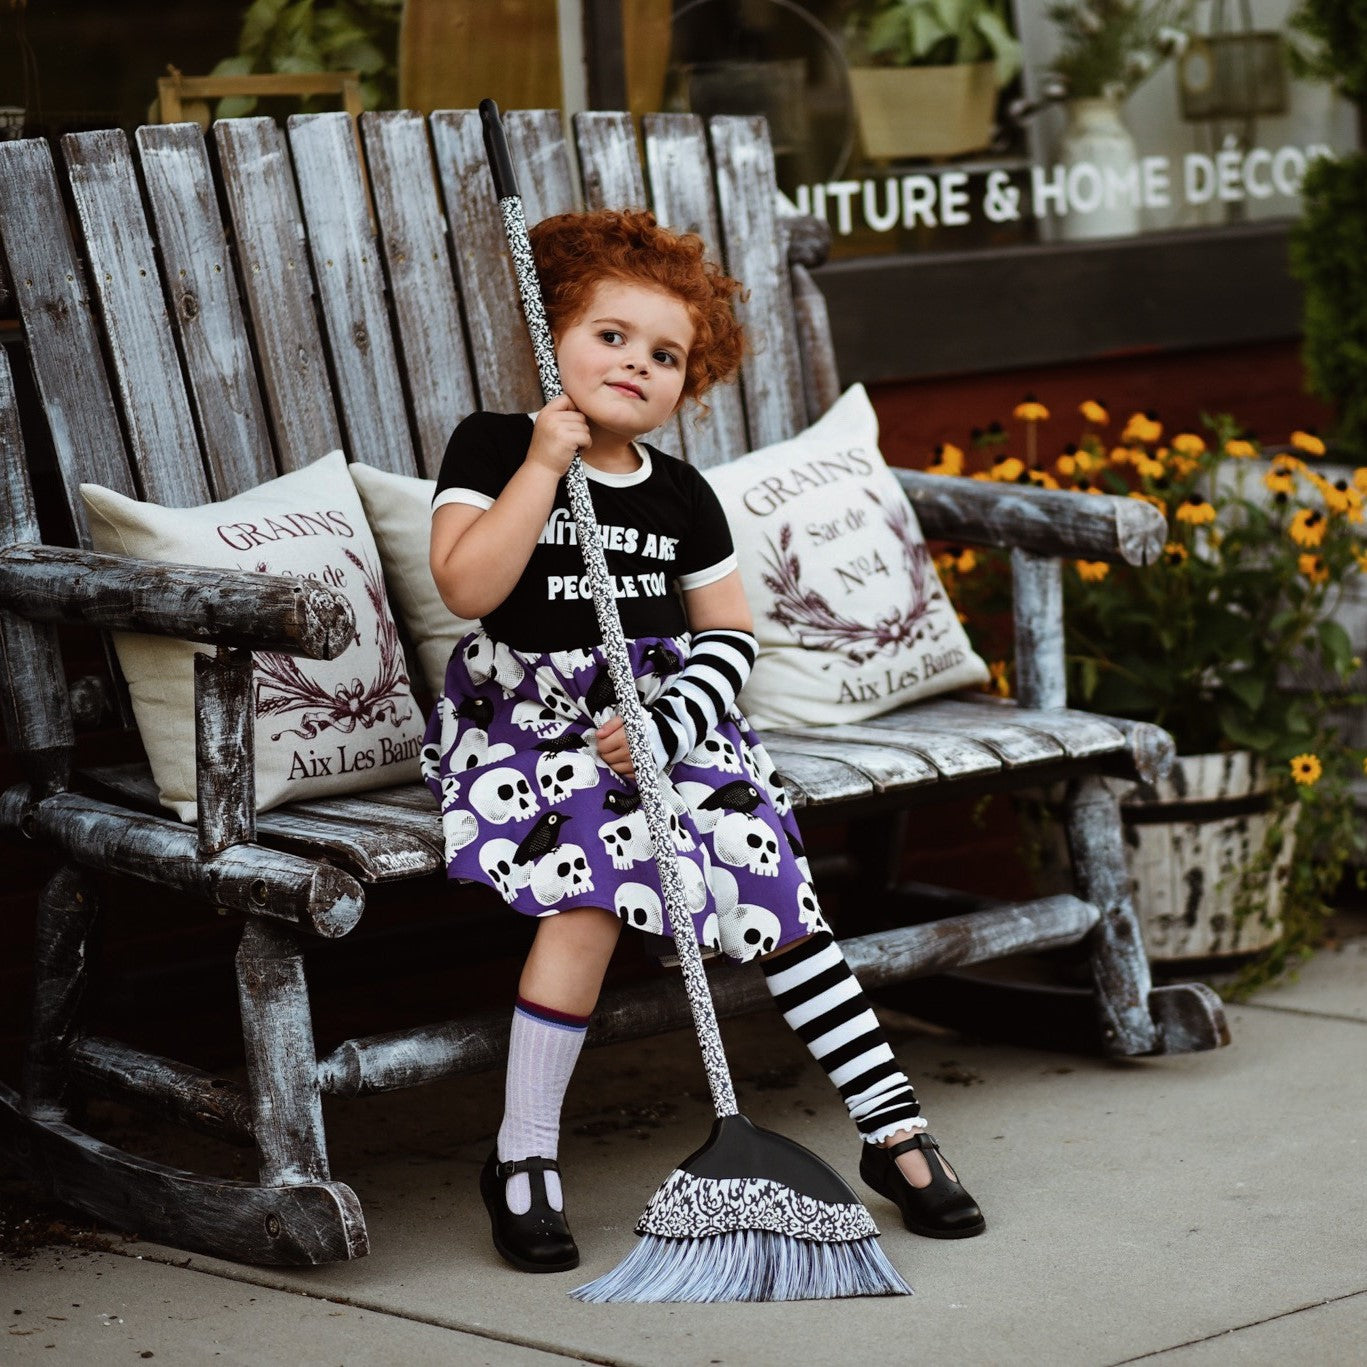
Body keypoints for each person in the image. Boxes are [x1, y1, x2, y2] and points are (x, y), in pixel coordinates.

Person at [422, 209, 984, 1275]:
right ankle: (522, 1151)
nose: (636, 363)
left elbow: (729, 634)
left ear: (691, 377)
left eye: (666, 354)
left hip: (667, 722)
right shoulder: (494, 445)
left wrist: (668, 720)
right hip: (534, 728)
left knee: (771, 881)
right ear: (552, 336)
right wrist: (542, 465)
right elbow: (466, 586)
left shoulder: (683, 494)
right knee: (590, 888)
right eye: (610, 336)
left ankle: (890, 1125)